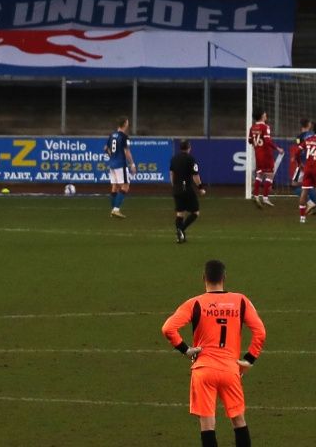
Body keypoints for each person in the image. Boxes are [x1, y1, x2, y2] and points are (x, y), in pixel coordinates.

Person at [161, 259, 266, 447]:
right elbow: (260, 332)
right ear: (224, 277)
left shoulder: (195, 303)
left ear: (203, 278)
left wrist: (186, 349)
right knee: (239, 421)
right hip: (230, 369)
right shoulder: (240, 300)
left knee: (207, 425)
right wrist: (249, 360)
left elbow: (168, 328)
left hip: (203, 370)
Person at [171, 139, 204, 243]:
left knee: (180, 214)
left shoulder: (174, 158)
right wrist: (200, 187)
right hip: (186, 188)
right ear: (189, 148)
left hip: (177, 188)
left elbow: (171, 173)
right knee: (195, 212)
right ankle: (181, 230)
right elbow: (195, 175)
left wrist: (174, 185)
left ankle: (180, 236)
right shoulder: (191, 159)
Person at [246, 111, 278, 208]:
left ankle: (255, 195)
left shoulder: (252, 128)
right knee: (270, 175)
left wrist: (257, 143)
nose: (266, 115)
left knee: (259, 175)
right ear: (262, 116)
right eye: (265, 114)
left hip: (258, 154)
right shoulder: (265, 127)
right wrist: (277, 148)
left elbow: (250, 140)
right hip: (266, 154)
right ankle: (265, 198)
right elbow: (268, 141)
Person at [107, 116, 136, 219]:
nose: (128, 124)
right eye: (127, 122)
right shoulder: (124, 136)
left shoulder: (112, 135)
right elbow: (127, 151)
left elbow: (106, 148)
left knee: (115, 186)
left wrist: (112, 157)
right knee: (126, 186)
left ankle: (112, 210)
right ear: (125, 124)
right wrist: (132, 164)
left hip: (112, 164)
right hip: (120, 164)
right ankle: (116, 210)